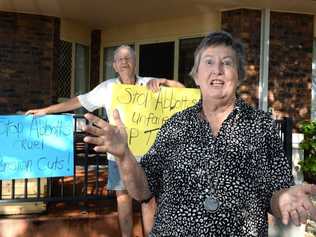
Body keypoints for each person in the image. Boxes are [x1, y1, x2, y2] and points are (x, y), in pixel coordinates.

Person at [82, 32, 316, 236]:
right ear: (196, 76)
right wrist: (124, 156)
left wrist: (284, 200)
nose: (218, 70)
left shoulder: (261, 126)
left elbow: (275, 195)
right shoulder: (175, 125)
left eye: (227, 62)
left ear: (239, 75)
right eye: (209, 62)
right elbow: (143, 190)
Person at [26, 45, 184, 237]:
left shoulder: (149, 83)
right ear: (115, 66)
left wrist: (164, 81)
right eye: (120, 59)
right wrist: (46, 110)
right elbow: (78, 101)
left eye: (129, 58)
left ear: (135, 63)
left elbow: (183, 93)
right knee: (123, 199)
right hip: (117, 154)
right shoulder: (108, 88)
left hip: (146, 154)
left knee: (148, 200)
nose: (125, 62)